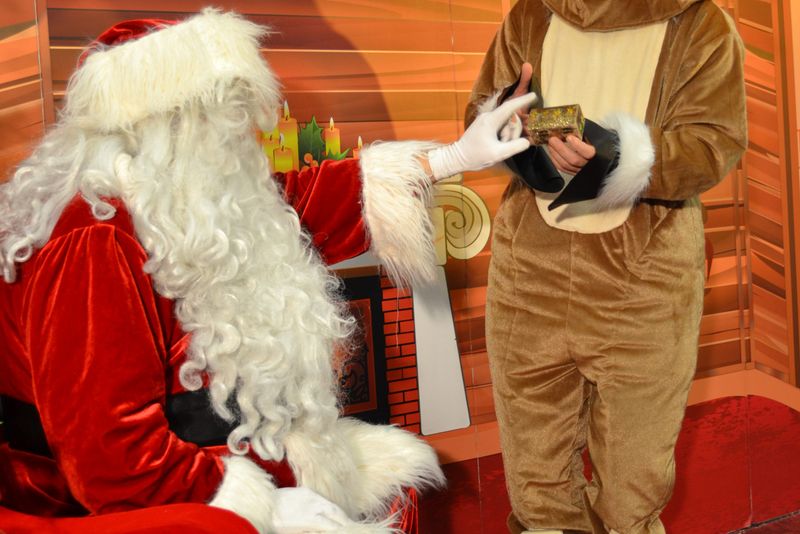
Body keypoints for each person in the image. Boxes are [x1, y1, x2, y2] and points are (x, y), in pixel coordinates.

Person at [0, 9, 536, 533]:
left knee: (389, 478)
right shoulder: (92, 239)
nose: (238, 130)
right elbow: (108, 456)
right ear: (152, 127)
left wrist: (455, 157)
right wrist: (264, 507)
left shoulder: (189, 199)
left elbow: (297, 205)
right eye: (215, 112)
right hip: (142, 499)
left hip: (234, 447)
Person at [466, 1, 747, 533]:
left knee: (633, 473)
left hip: (642, 274)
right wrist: (530, 125)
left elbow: (714, 142)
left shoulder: (701, 23)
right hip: (532, 272)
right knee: (535, 472)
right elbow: (482, 116)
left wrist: (619, 155)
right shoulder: (532, 13)